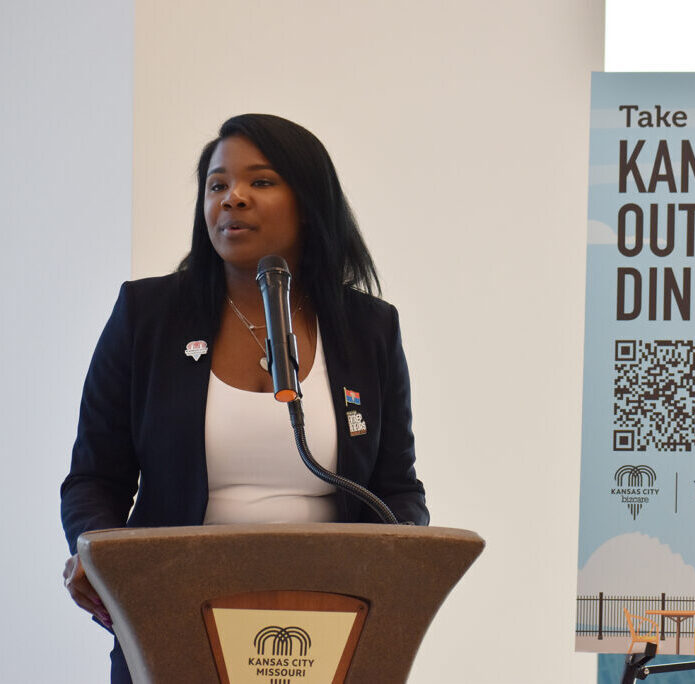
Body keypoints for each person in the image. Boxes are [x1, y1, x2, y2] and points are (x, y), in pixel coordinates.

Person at [60, 114, 428, 682]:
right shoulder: (148, 315)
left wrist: (402, 567)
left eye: (259, 181)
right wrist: (102, 560)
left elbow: (396, 487)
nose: (231, 198)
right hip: (174, 618)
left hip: (329, 625)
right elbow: (93, 478)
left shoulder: (369, 328)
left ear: (309, 202)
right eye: (216, 185)